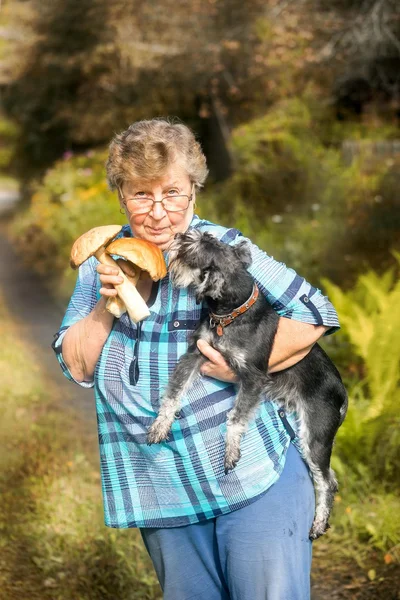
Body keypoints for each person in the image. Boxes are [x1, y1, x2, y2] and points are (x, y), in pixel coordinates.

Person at [52, 118, 340, 600]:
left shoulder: (221, 251)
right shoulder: (102, 263)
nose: (159, 211)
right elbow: (77, 365)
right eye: (142, 194)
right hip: (160, 485)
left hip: (251, 477)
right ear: (122, 198)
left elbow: (316, 313)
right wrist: (112, 297)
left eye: (174, 193)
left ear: (194, 192)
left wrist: (248, 366)